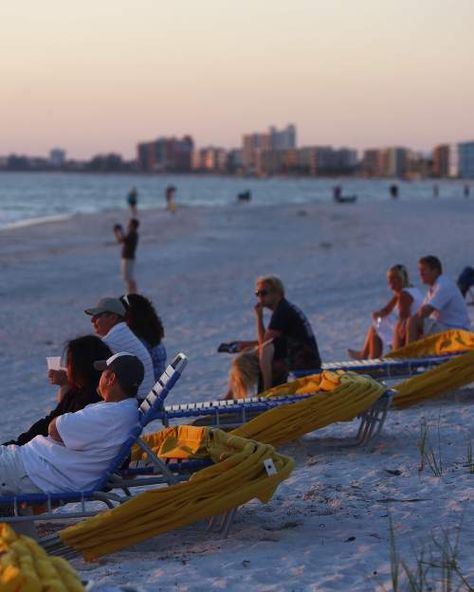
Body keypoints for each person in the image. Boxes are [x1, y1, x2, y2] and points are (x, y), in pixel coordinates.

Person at [0, 352, 142, 496]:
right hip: (30, 465)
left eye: (103, 373)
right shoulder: (120, 410)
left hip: (30, 472)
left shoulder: (110, 415)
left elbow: (54, 429)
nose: (99, 377)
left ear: (111, 379)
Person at [2, 336, 112, 446]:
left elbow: (57, 424)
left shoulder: (91, 399)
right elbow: (51, 419)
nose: (67, 368)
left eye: (69, 363)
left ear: (80, 366)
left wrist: (19, 443)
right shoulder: (80, 391)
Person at [225, 275, 321, 399]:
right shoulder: (284, 308)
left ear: (278, 293)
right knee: (250, 356)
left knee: (244, 360)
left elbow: (264, 342)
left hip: (303, 362)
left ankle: (265, 393)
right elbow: (267, 340)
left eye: (264, 293)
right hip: (301, 357)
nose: (260, 297)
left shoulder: (282, 312)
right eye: (257, 293)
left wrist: (259, 318)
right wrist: (245, 345)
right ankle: (233, 396)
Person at [348, 265, 423, 360]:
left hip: (408, 331)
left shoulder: (404, 295)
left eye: (393, 279)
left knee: (376, 328)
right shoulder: (410, 290)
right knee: (377, 324)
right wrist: (378, 314)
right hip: (413, 327)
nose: (389, 282)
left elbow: (404, 318)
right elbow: (387, 309)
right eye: (389, 279)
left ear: (400, 279)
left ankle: (370, 359)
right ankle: (366, 356)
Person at [84, 297, 155, 399]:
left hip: (137, 401)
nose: (92, 320)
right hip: (145, 399)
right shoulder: (123, 334)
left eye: (98, 316)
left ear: (113, 317)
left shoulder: (111, 341)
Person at [406, 255, 471, 343]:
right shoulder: (434, 288)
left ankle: (408, 354)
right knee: (406, 324)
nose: (420, 274)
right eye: (420, 270)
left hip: (457, 331)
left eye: (424, 270)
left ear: (435, 271)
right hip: (447, 328)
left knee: (413, 322)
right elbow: (422, 312)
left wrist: (413, 321)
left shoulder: (443, 285)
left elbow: (424, 312)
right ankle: (402, 353)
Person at [120, 293, 167, 379]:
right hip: (155, 386)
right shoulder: (152, 336)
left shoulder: (137, 342)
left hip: (145, 387)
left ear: (129, 315)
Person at [114, 218, 140, 294]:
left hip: (128, 258)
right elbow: (121, 240)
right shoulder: (132, 234)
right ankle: (133, 293)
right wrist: (118, 232)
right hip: (128, 258)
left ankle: (131, 293)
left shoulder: (133, 234)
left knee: (127, 278)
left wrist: (118, 231)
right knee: (128, 277)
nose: (128, 225)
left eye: (129, 224)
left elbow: (122, 240)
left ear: (132, 225)